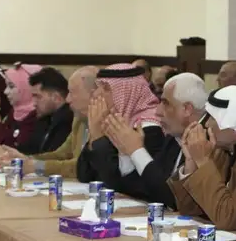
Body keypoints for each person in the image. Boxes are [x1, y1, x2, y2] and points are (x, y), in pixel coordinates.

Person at [169, 84, 236, 230]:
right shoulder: (221, 151)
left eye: (213, 118)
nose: (207, 124)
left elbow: (228, 219)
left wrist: (203, 161)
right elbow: (190, 209)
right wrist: (191, 162)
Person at [103, 72, 207, 207]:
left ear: (187, 109)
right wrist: (126, 153)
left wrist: (136, 150)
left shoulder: (205, 141)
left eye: (165, 103)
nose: (157, 111)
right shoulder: (172, 138)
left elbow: (172, 199)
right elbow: (141, 189)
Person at [0, 66, 97, 178]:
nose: (68, 99)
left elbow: (82, 167)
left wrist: (34, 166)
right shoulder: (78, 120)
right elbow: (62, 154)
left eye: (72, 93)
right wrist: (27, 160)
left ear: (93, 94)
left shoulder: (91, 122)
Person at [76, 63, 165, 197]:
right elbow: (84, 175)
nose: (97, 94)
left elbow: (114, 184)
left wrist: (98, 137)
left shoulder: (150, 128)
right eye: (99, 87)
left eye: (106, 88)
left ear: (127, 93)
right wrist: (93, 136)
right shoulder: (114, 121)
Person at [0, 64, 41, 151]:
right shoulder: (14, 113)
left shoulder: (37, 116)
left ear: (26, 88)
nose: (5, 91)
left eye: (11, 86)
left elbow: (15, 148)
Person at [23, 67, 74, 154]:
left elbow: (55, 157)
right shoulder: (45, 118)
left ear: (56, 97)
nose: (34, 103)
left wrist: (26, 159)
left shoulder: (68, 122)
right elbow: (30, 150)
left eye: (38, 96)